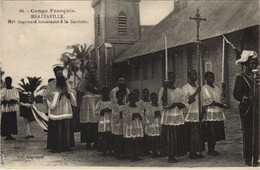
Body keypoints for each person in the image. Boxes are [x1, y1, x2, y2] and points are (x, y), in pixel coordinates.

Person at [233, 50, 259, 167]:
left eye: (255, 63)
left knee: (258, 133)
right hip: (247, 109)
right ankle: (249, 157)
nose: (253, 65)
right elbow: (236, 94)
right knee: (248, 133)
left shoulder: (258, 77)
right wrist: (248, 98)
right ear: (246, 65)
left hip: (258, 108)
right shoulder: (241, 78)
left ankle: (257, 156)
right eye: (251, 63)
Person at [45, 65, 76, 153]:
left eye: (61, 73)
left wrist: (68, 93)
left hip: (66, 107)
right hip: (56, 108)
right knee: (57, 127)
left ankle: (66, 146)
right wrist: (59, 94)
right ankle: (56, 147)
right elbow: (48, 94)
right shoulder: (51, 84)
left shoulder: (66, 83)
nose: (60, 75)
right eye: (58, 74)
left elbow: (72, 92)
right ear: (55, 74)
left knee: (66, 127)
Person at [159, 72, 187, 162]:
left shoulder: (179, 90)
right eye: (170, 78)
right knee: (170, 137)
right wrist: (166, 88)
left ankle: (176, 153)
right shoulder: (163, 90)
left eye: (173, 77)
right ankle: (170, 155)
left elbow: (183, 103)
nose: (172, 79)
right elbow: (163, 103)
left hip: (177, 117)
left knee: (177, 136)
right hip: (168, 118)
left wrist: (177, 104)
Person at [78, 59, 101, 150]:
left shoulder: (98, 79)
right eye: (90, 70)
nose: (92, 72)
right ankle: (88, 142)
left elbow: (100, 88)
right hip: (87, 103)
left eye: (93, 70)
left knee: (96, 123)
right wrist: (86, 82)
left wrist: (96, 89)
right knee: (87, 123)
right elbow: (80, 90)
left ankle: (96, 141)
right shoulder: (85, 80)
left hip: (96, 102)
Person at [202, 71, 226, 156]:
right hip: (210, 113)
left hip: (217, 112)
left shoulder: (216, 88)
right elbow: (210, 101)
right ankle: (210, 149)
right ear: (206, 78)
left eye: (213, 77)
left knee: (216, 132)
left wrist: (223, 89)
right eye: (210, 77)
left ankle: (213, 149)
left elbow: (221, 98)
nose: (212, 79)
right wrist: (220, 105)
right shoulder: (205, 88)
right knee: (211, 132)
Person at [182, 70, 205, 159]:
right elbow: (186, 101)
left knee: (198, 133)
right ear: (189, 76)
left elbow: (201, 100)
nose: (196, 76)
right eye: (194, 75)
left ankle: (196, 150)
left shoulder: (198, 87)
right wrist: (196, 92)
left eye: (196, 74)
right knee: (191, 133)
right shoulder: (186, 88)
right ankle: (191, 152)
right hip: (190, 113)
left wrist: (202, 110)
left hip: (197, 112)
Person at [123, 93, 144, 162]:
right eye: (131, 98)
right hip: (130, 126)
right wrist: (132, 115)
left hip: (137, 125)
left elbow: (142, 113)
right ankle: (132, 156)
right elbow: (125, 115)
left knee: (137, 141)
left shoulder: (138, 106)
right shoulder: (126, 106)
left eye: (134, 98)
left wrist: (139, 114)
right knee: (131, 141)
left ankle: (136, 155)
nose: (133, 100)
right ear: (129, 99)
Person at [95, 87, 112, 157]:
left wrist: (110, 110)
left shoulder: (112, 102)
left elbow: (115, 109)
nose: (105, 94)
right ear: (102, 94)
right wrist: (102, 111)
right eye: (104, 92)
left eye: (107, 92)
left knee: (110, 136)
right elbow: (96, 111)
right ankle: (104, 150)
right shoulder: (99, 102)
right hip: (103, 121)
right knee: (103, 136)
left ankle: (110, 150)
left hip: (110, 121)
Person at [144, 92, 161, 158]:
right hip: (152, 124)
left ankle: (157, 151)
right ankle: (153, 151)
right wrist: (154, 114)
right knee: (153, 138)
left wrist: (160, 113)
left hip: (158, 124)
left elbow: (162, 113)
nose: (155, 99)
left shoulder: (159, 106)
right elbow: (147, 115)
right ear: (150, 99)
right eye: (153, 98)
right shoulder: (149, 107)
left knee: (157, 138)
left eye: (156, 98)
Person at [112, 90, 126, 159]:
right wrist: (119, 114)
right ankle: (118, 153)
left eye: (122, 96)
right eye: (119, 96)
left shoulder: (125, 105)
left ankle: (124, 152)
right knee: (118, 139)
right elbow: (114, 114)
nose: (120, 97)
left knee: (123, 139)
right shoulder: (115, 105)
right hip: (118, 124)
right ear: (116, 97)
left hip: (124, 123)